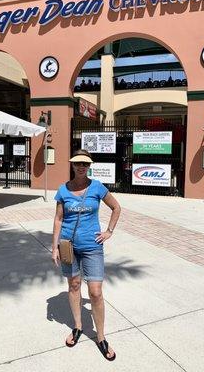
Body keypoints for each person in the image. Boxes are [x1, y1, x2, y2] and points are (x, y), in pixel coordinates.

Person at [52, 149, 121, 361]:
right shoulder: (63, 190)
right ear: (72, 165)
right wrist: (54, 246)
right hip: (68, 245)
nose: (81, 167)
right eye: (77, 163)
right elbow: (58, 219)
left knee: (95, 292)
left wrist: (109, 231)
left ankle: (100, 337)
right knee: (73, 285)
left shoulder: (97, 187)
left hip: (92, 247)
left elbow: (116, 207)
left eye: (85, 164)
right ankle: (78, 327)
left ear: (89, 166)